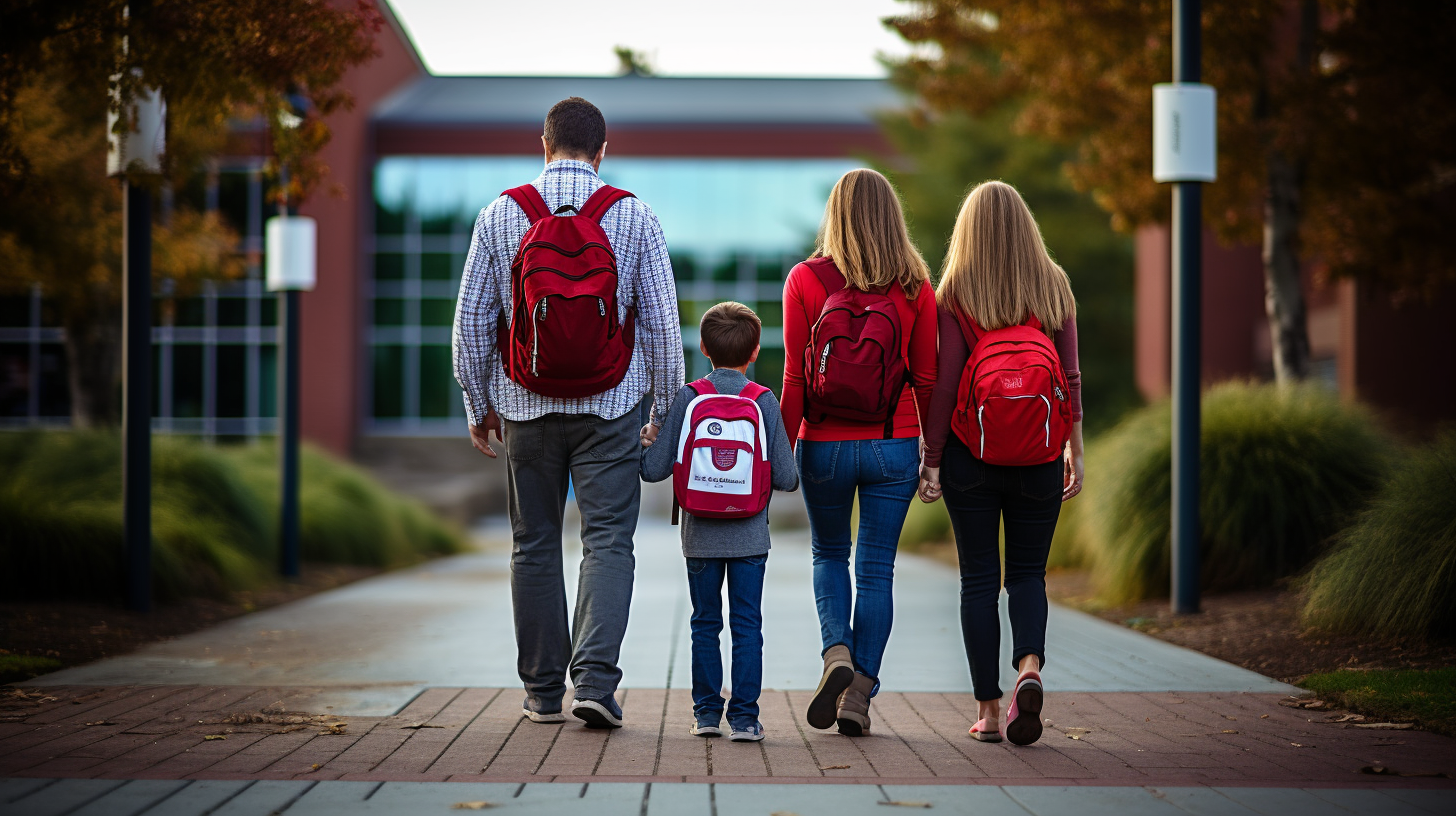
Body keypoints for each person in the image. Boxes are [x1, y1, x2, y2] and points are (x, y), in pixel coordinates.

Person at [452, 96, 684, 729]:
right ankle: (596, 684)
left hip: (525, 406)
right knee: (608, 539)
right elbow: (664, 326)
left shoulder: (502, 214)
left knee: (533, 543)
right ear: (602, 151)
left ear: (544, 145)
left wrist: (480, 404)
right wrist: (662, 409)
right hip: (611, 408)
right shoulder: (632, 216)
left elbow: (472, 322)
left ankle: (543, 694)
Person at [918, 180, 1085, 747]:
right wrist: (1074, 449)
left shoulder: (956, 292)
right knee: (1028, 576)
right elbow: (1070, 377)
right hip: (1040, 454)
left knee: (979, 581)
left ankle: (989, 711)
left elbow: (943, 389)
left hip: (972, 456)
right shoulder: (1054, 284)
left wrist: (933, 461)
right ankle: (1029, 668)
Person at [780, 169, 938, 736]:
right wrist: (934, 455)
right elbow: (927, 379)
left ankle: (835, 656)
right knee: (876, 570)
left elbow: (795, 377)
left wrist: (781, 450)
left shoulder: (804, 279)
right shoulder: (916, 283)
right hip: (891, 446)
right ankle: (860, 696)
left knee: (828, 554)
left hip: (822, 444)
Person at [641, 301, 797, 743]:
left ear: (705, 349)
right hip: (751, 537)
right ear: (755, 352)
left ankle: (707, 715)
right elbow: (787, 478)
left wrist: (647, 440)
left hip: (700, 537)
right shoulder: (763, 401)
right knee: (748, 623)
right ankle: (745, 719)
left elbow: (652, 471)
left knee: (704, 622)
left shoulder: (689, 398)